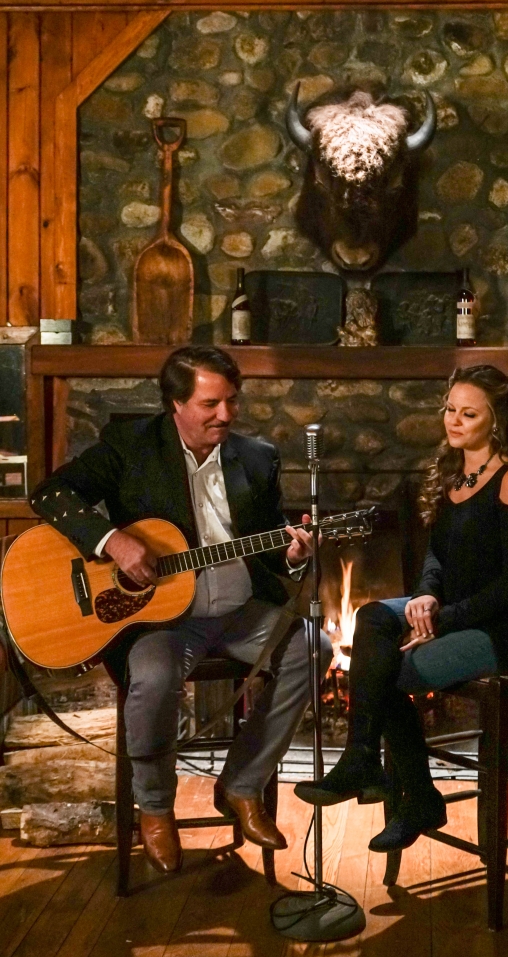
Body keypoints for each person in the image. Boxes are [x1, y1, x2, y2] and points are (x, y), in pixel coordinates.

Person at [30, 346, 332, 873]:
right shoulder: (131, 446)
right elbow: (50, 495)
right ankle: (155, 809)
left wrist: (293, 554)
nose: (226, 415)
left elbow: (270, 548)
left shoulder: (257, 457)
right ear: (175, 403)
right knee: (154, 674)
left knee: (314, 646)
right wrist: (111, 541)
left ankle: (240, 784)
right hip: (164, 618)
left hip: (240, 611)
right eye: (210, 403)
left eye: (232, 401)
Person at [295, 364, 508, 853]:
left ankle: (415, 795)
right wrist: (425, 595)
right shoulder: (455, 473)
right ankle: (364, 760)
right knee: (373, 617)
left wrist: (441, 620)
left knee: (390, 671)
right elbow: (437, 554)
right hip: (459, 610)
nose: (453, 421)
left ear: (497, 421)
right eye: (449, 409)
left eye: (468, 413)